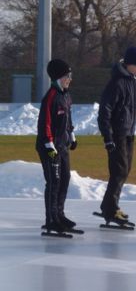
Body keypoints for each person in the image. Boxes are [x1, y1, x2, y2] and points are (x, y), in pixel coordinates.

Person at [97, 46, 136, 223]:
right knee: (118, 170)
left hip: (129, 132)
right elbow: (105, 111)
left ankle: (109, 205)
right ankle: (110, 209)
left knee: (125, 170)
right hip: (117, 133)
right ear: (127, 64)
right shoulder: (117, 83)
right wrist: (107, 138)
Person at [36, 59, 78, 233]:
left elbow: (68, 119)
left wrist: (72, 136)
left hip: (62, 146)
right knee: (54, 181)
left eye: (70, 75)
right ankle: (51, 219)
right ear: (58, 78)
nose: (70, 79)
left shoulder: (66, 95)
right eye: (67, 76)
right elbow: (44, 123)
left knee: (65, 179)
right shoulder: (50, 97)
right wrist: (49, 144)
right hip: (49, 148)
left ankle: (59, 214)